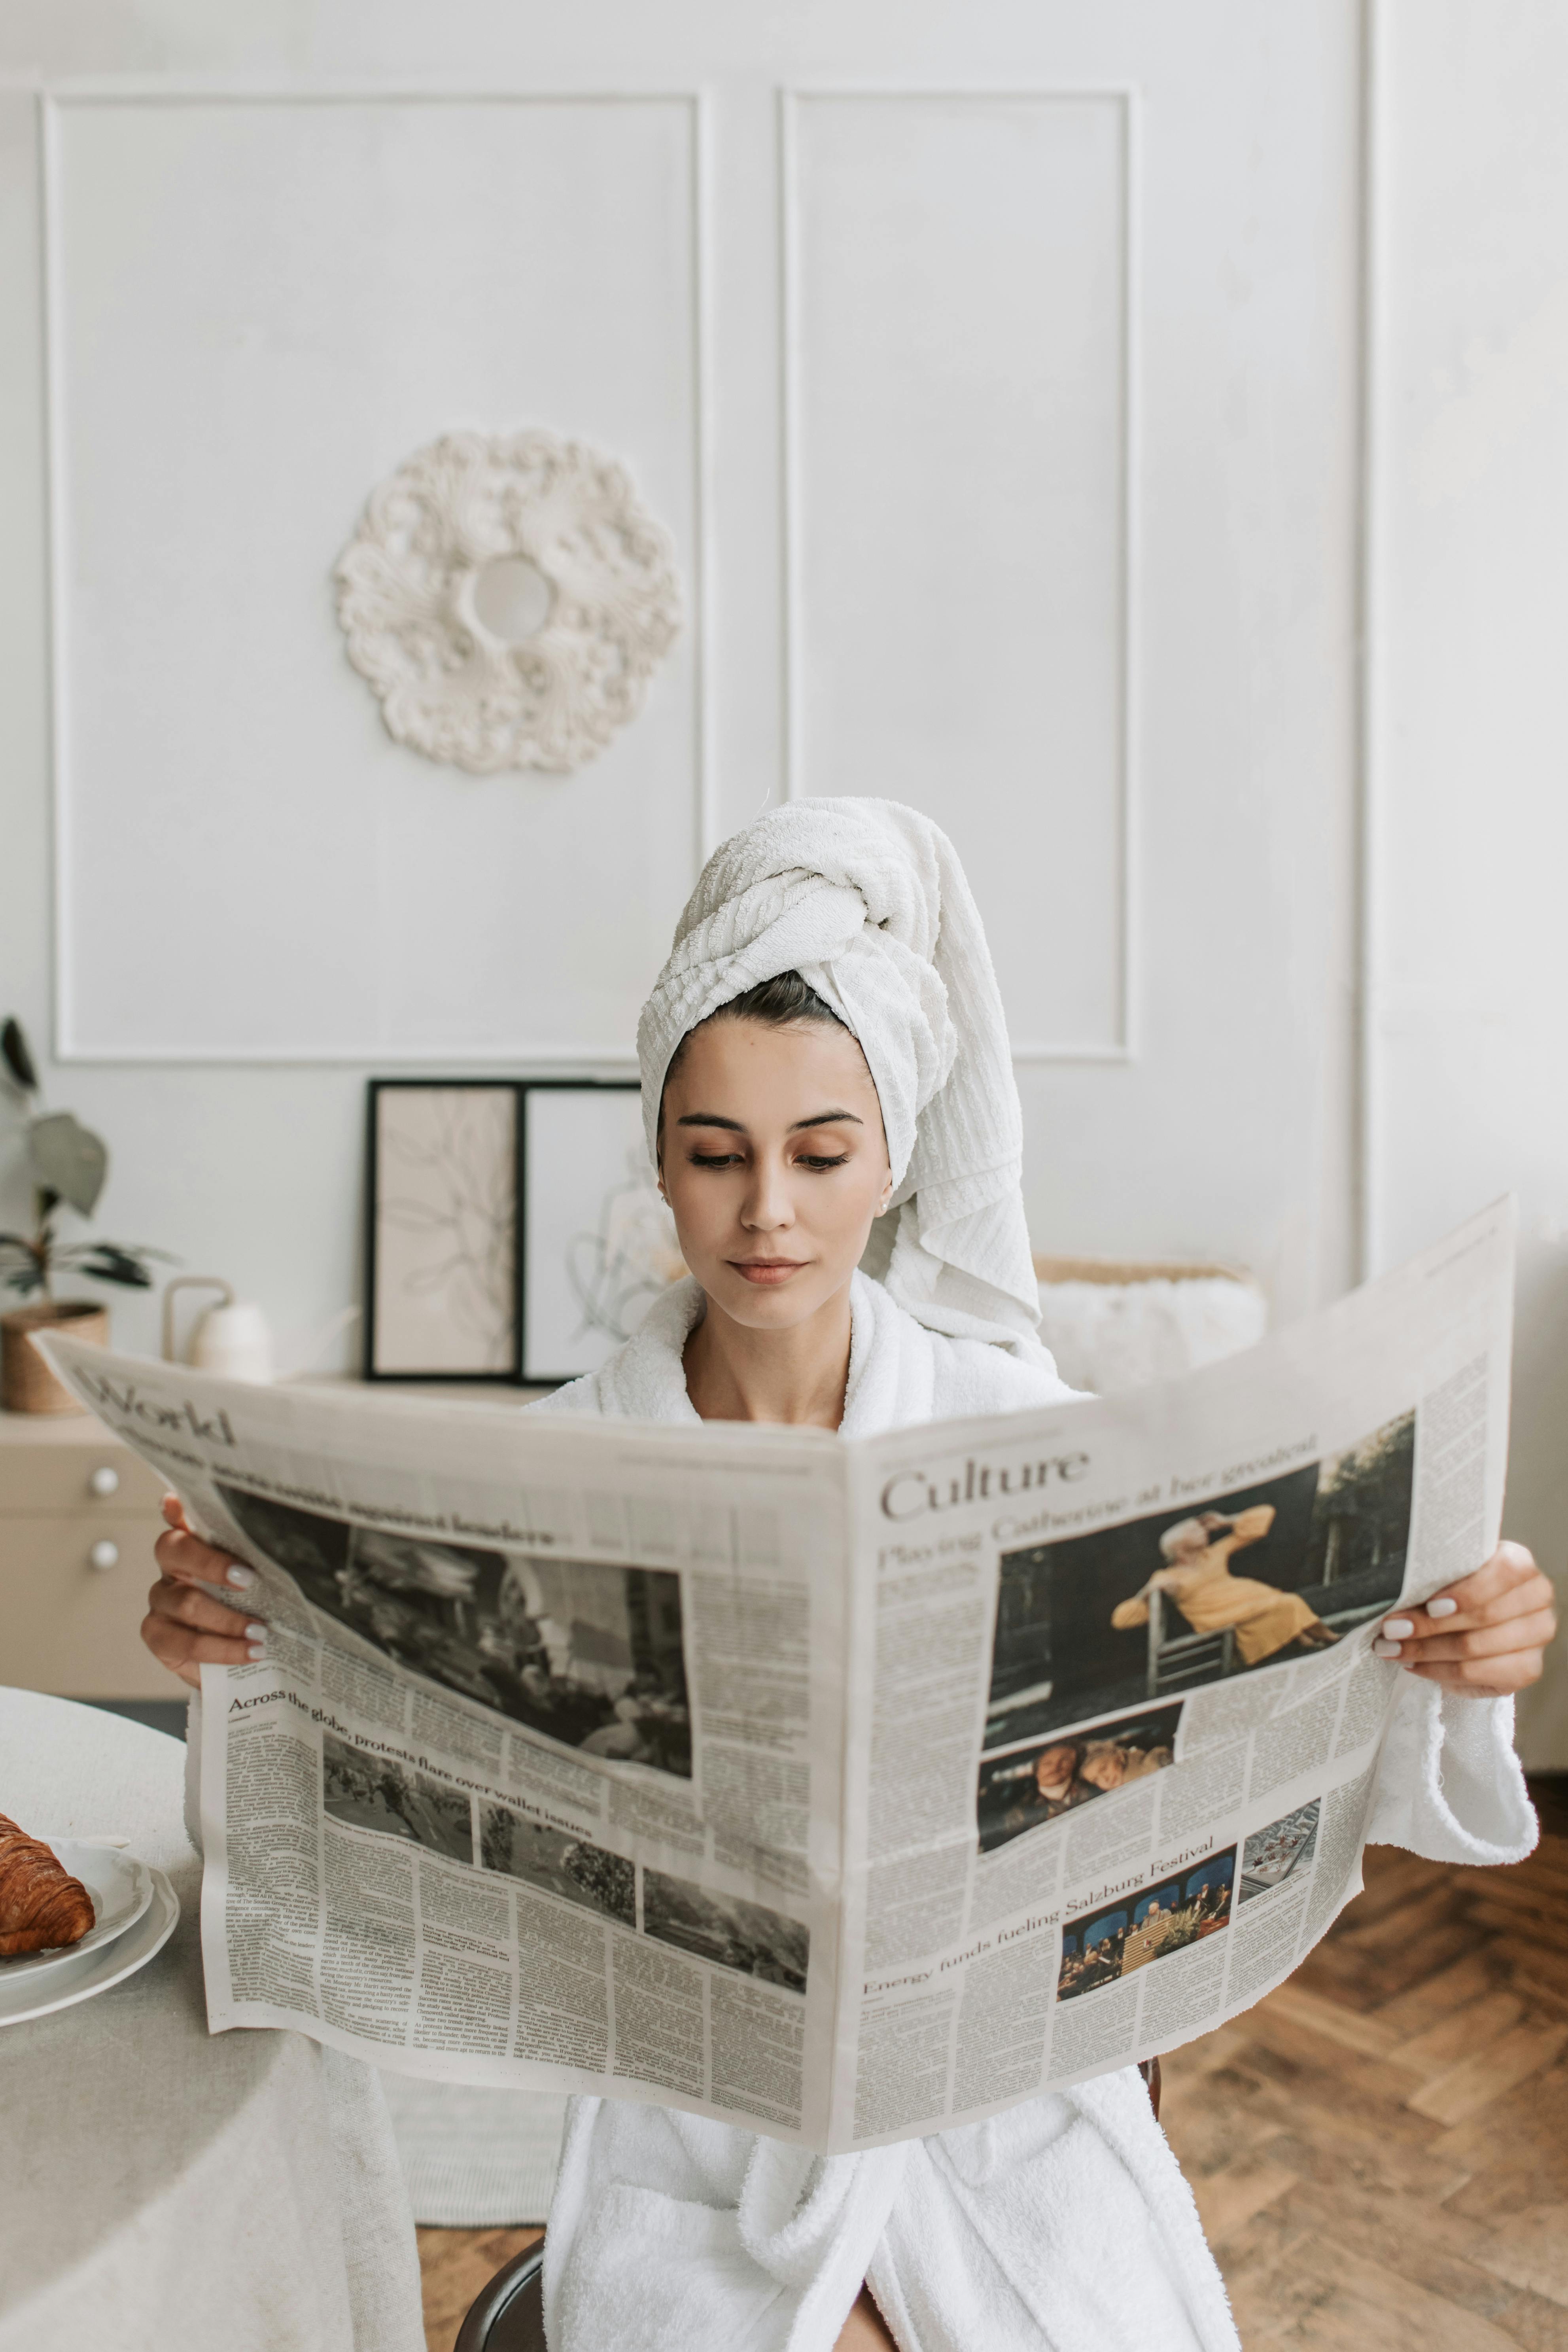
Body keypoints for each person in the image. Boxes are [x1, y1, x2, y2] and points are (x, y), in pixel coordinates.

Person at [141, 797, 1556, 2352]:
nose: (767, 1211)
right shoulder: (546, 1466)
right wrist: (237, 1642)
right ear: (660, 1167)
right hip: (701, 2124)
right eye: (714, 1154)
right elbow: (379, 1748)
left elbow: (1284, 1663)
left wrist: (1455, 1632)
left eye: (820, 1153)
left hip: (1004, 2109)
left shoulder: (1031, 1432)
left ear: (887, 1158)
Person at [1111, 1504, 1340, 1670]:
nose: (1204, 1530)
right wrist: (1145, 1595)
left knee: (1277, 1602)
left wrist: (1229, 1520)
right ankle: (1328, 1637)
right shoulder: (1165, 1576)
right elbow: (1121, 1620)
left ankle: (1304, 1640)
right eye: (1194, 1530)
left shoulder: (1214, 1553)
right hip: (1215, 1614)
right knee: (1288, 1602)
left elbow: (1265, 1517)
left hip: (1244, 1598)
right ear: (1179, 1548)